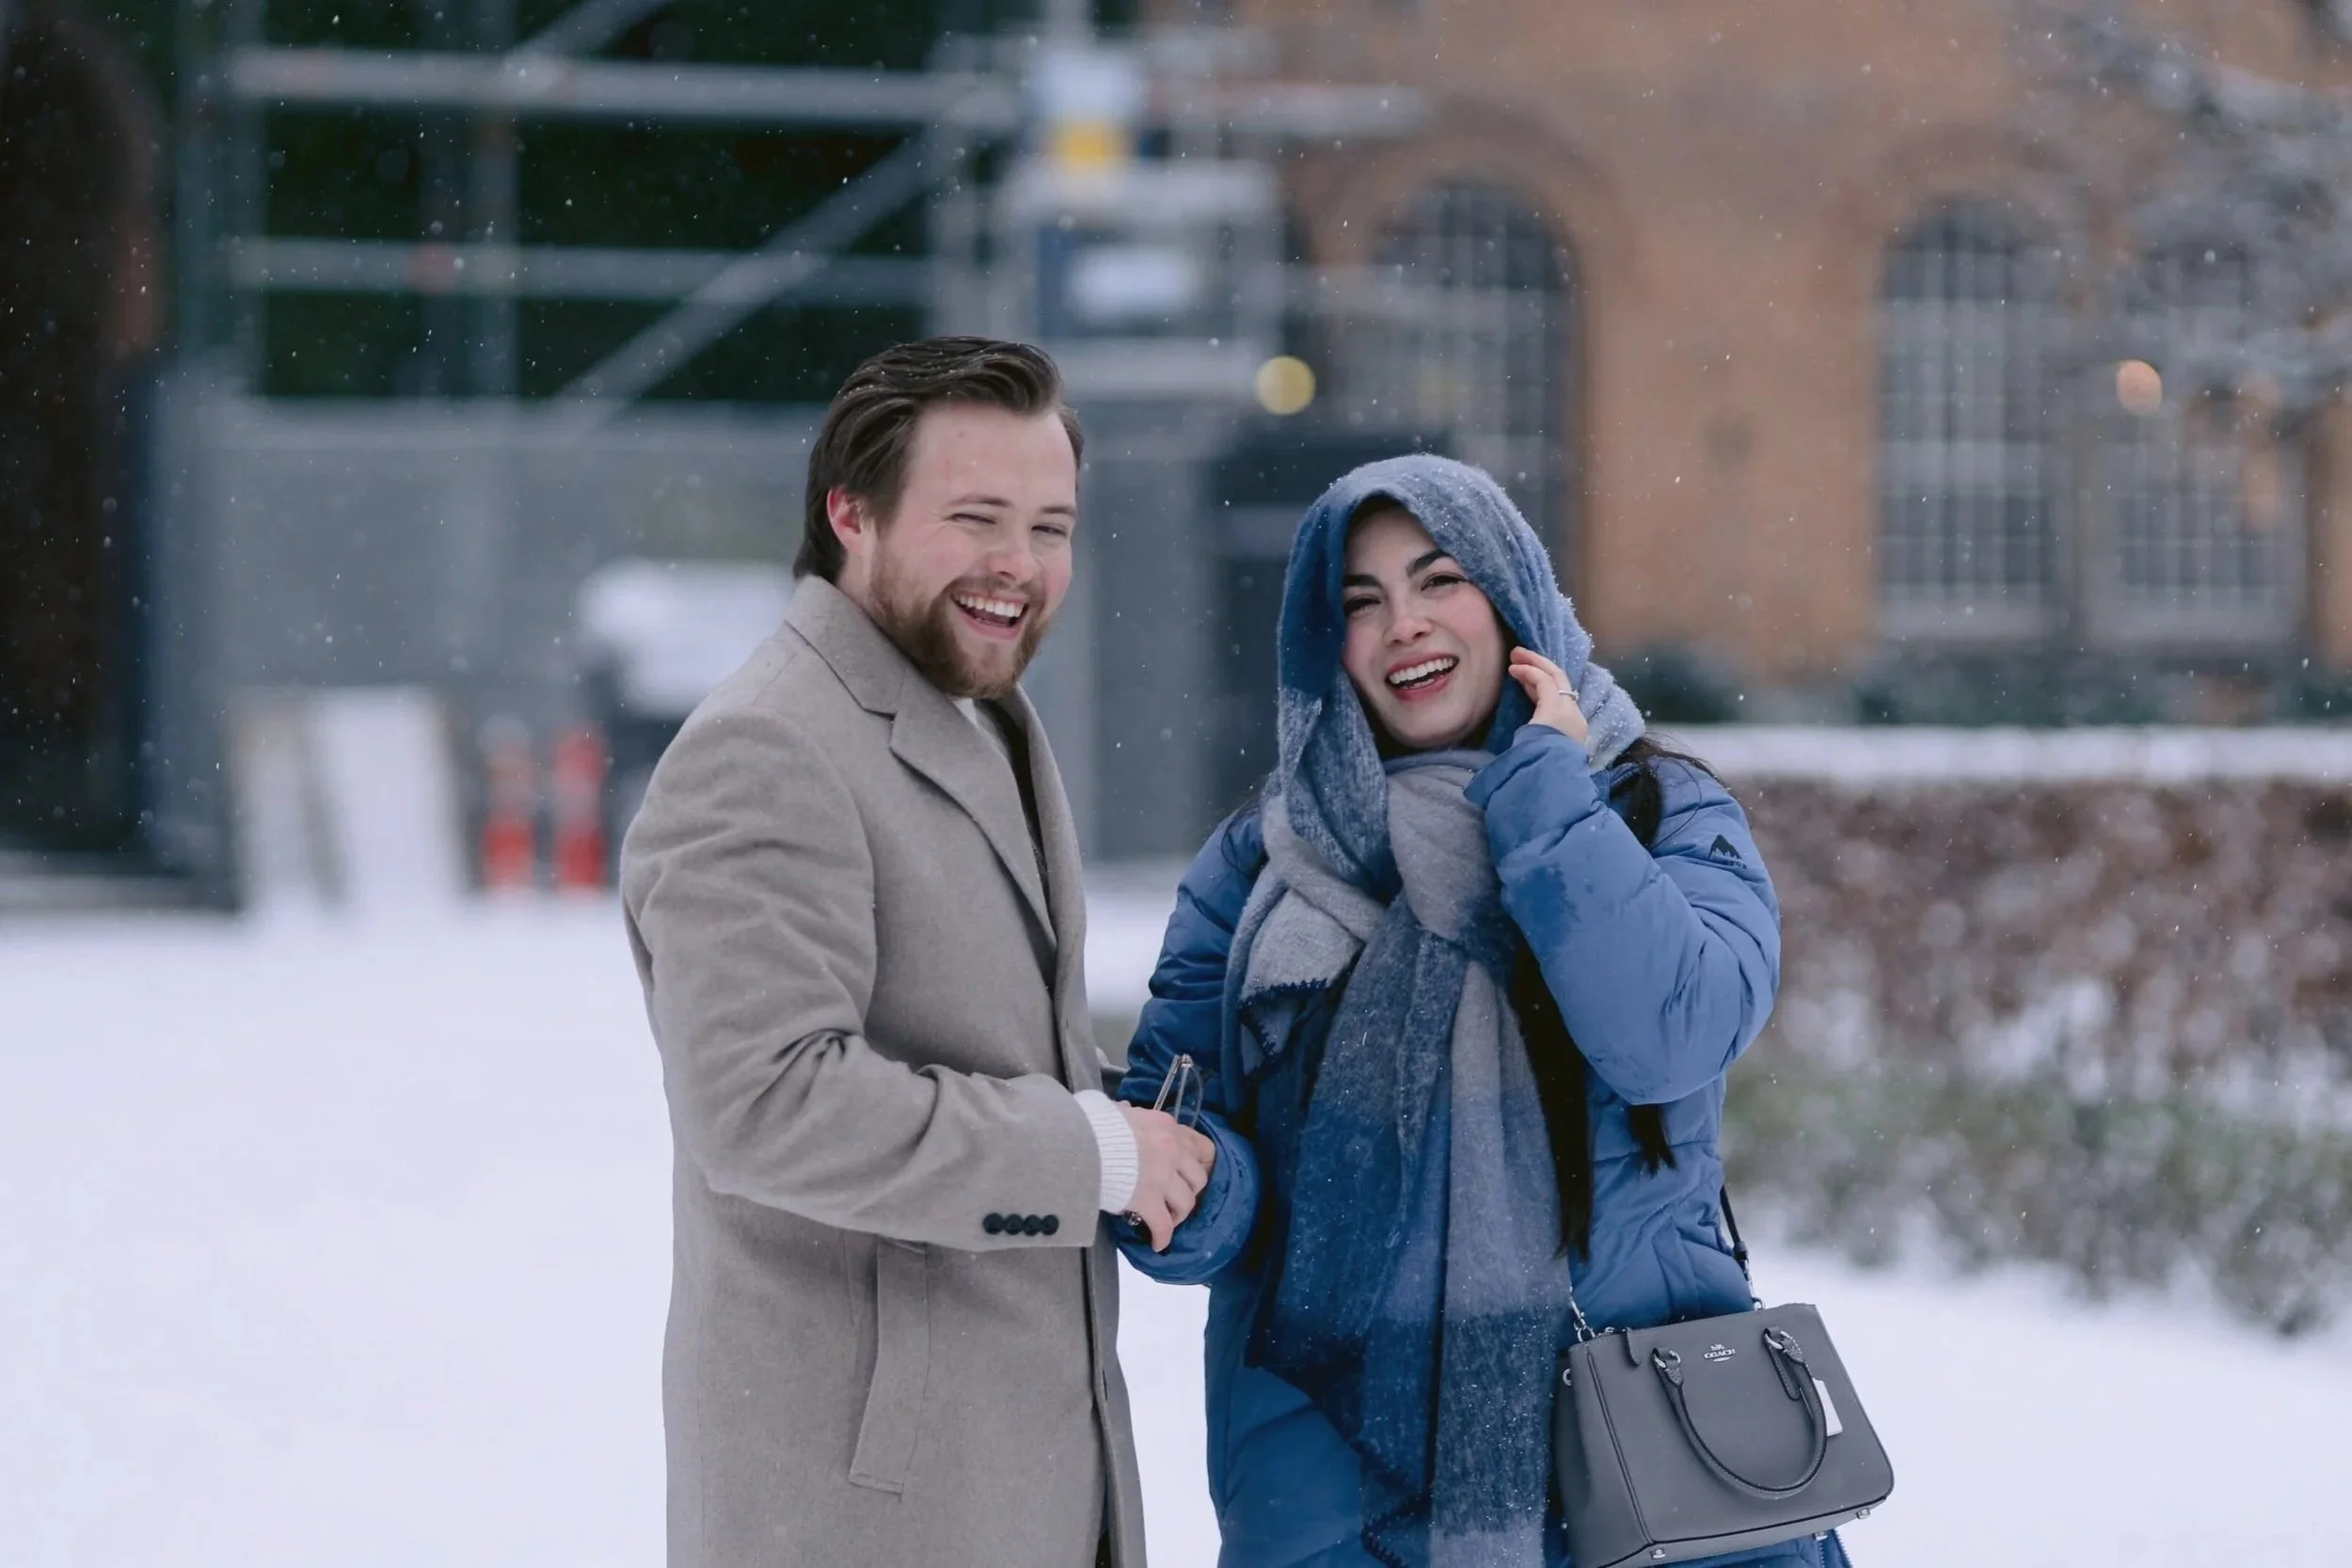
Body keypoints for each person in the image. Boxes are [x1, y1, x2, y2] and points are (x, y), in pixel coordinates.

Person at [1118, 454, 1846, 1567]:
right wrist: (1187, 1190)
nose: (1402, 624)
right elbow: (1194, 1159)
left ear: (1512, 596)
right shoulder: (1258, 864)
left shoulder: (1651, 810)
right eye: (1361, 600)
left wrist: (1547, 797)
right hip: (1338, 1480)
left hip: (1644, 1464)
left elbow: (1669, 1038)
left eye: (1439, 579)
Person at [621, 337, 1213, 1568]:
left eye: (1049, 527)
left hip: (1012, 1478)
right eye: (975, 518)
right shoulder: (768, 747)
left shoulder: (977, 709)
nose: (1019, 564)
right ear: (852, 513)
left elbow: (984, 1041)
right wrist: (1094, 1153)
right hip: (864, 1508)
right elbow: (765, 1104)